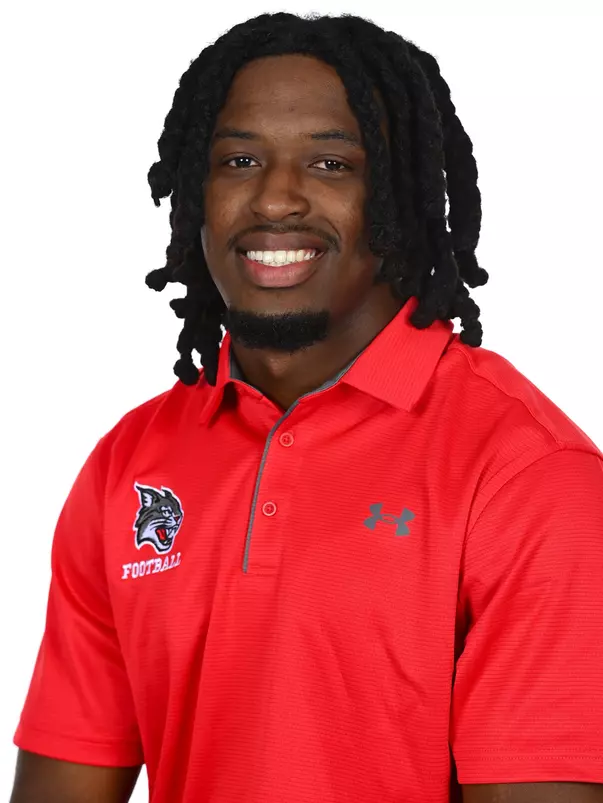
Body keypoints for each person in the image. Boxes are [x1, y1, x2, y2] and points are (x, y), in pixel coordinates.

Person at [10, 12, 603, 803]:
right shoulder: (131, 461)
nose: (275, 199)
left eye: (330, 162)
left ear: (398, 196)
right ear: (195, 192)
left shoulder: (527, 473)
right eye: (239, 159)